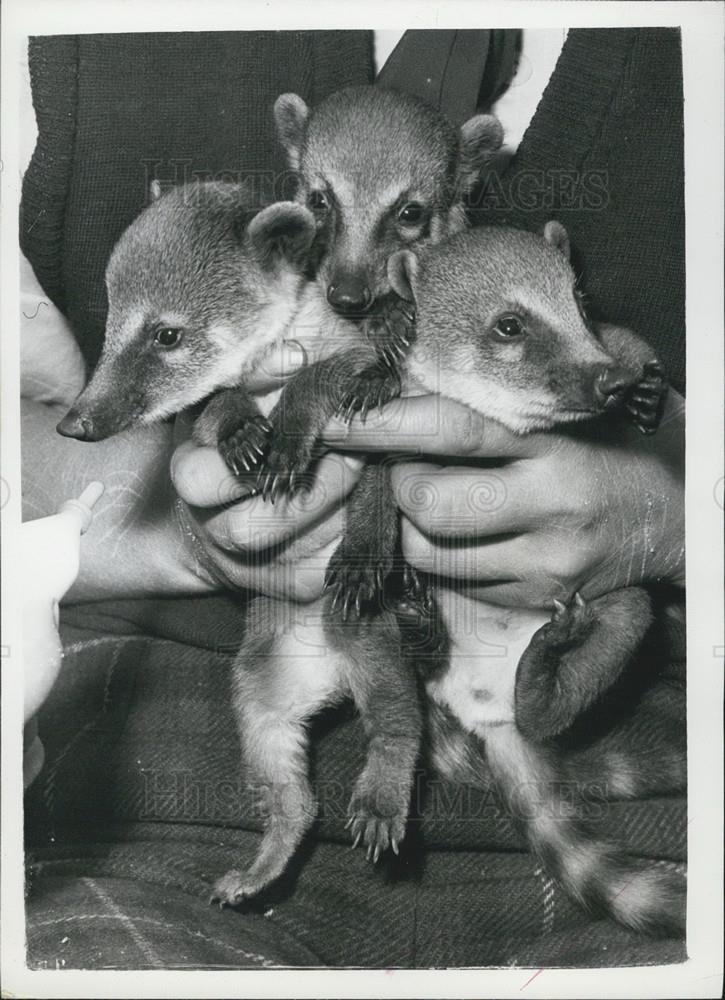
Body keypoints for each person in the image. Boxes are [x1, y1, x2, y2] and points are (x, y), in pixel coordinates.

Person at [22, 28, 686, 969]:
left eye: (403, 221)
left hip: (636, 729)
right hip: (155, 751)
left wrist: (674, 500)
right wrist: (179, 530)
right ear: (292, 164)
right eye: (325, 210)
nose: (347, 270)